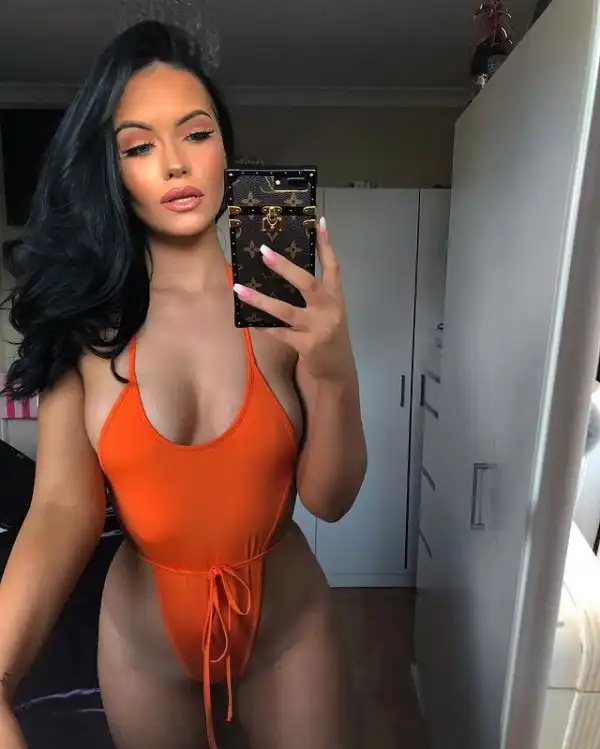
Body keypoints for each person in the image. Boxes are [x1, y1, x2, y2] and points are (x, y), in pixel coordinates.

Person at [0, 20, 367, 749]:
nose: (174, 163)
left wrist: (334, 370)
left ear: (224, 148)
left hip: (288, 630)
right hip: (145, 649)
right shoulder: (87, 319)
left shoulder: (274, 283)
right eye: (138, 147)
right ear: (111, 172)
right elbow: (63, 508)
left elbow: (330, 498)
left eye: (195, 134)